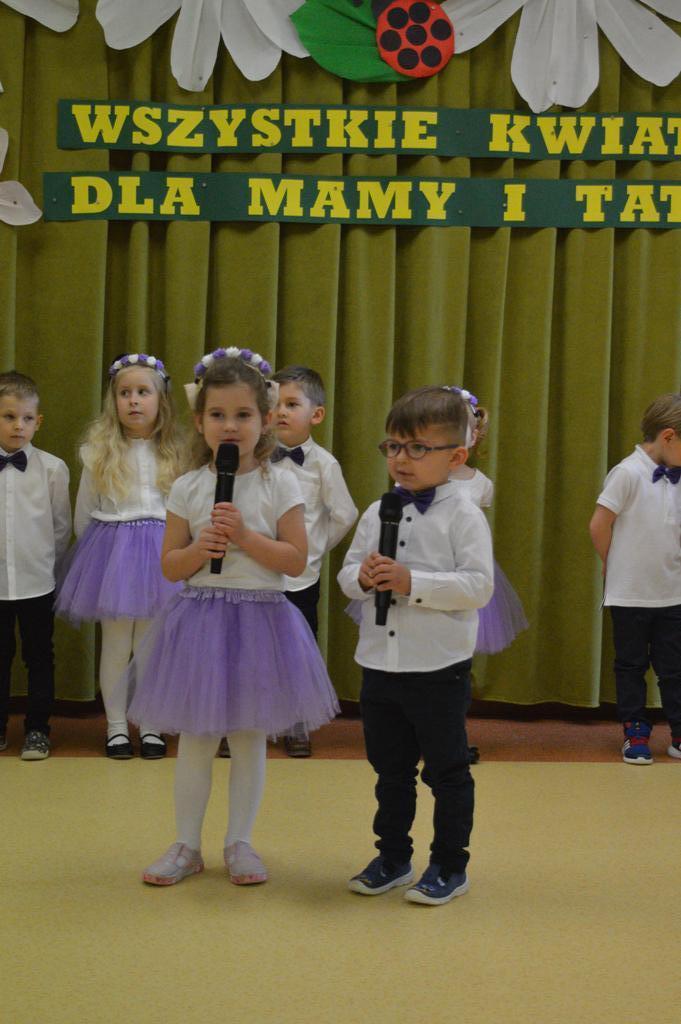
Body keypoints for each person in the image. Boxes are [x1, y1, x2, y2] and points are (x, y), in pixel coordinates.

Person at [127, 348, 339, 887]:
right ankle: (186, 845)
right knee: (197, 739)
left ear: (265, 420)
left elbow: (295, 559)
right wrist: (201, 548)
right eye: (218, 415)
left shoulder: (280, 484)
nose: (230, 425)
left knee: (248, 739)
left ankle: (240, 841)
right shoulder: (188, 487)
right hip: (201, 621)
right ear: (200, 421)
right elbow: (170, 566)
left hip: (260, 621)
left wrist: (244, 536)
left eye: (243, 415)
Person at [338, 385, 494, 906]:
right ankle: (392, 858)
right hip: (380, 665)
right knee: (390, 772)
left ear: (456, 457)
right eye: (393, 446)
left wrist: (413, 583)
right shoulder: (376, 510)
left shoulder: (464, 515)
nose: (401, 459)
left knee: (447, 772)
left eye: (417, 448)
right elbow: (346, 574)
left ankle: (450, 865)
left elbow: (478, 586)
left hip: (438, 669)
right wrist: (362, 578)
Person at [55, 353, 184, 759]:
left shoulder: (177, 453)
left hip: (161, 556)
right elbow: (83, 515)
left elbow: (185, 511)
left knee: (150, 644)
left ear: (160, 400)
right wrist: (100, 561)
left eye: (143, 392)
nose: (133, 401)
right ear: (113, 401)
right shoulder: (97, 452)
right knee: (115, 643)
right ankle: (115, 727)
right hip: (113, 556)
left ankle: (150, 724)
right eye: (124, 393)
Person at [270, 364, 357, 757]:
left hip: (299, 578)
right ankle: (244, 722)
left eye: (291, 404)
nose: (281, 412)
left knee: (297, 650)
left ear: (316, 414)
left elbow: (345, 514)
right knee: (251, 649)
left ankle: (297, 723)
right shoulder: (255, 459)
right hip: (256, 575)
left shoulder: (324, 464)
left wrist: (314, 548)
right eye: (274, 404)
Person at [589, 393, 681, 765]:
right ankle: (635, 732)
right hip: (629, 595)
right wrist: (611, 563)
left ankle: (678, 733)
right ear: (669, 437)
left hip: (672, 592)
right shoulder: (627, 473)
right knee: (630, 666)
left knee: (675, 668)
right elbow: (599, 524)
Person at [0, 371, 71, 760]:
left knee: (40, 657)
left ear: (38, 421)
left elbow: (61, 528)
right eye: (9, 417)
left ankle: (38, 730)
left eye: (27, 418)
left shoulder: (53, 470)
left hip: (37, 583)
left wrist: (49, 571)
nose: (18, 426)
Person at [448, 385, 528, 657]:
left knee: (460, 637)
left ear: (474, 437)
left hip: (465, 567)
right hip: (423, 560)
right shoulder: (417, 480)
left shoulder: (481, 484)